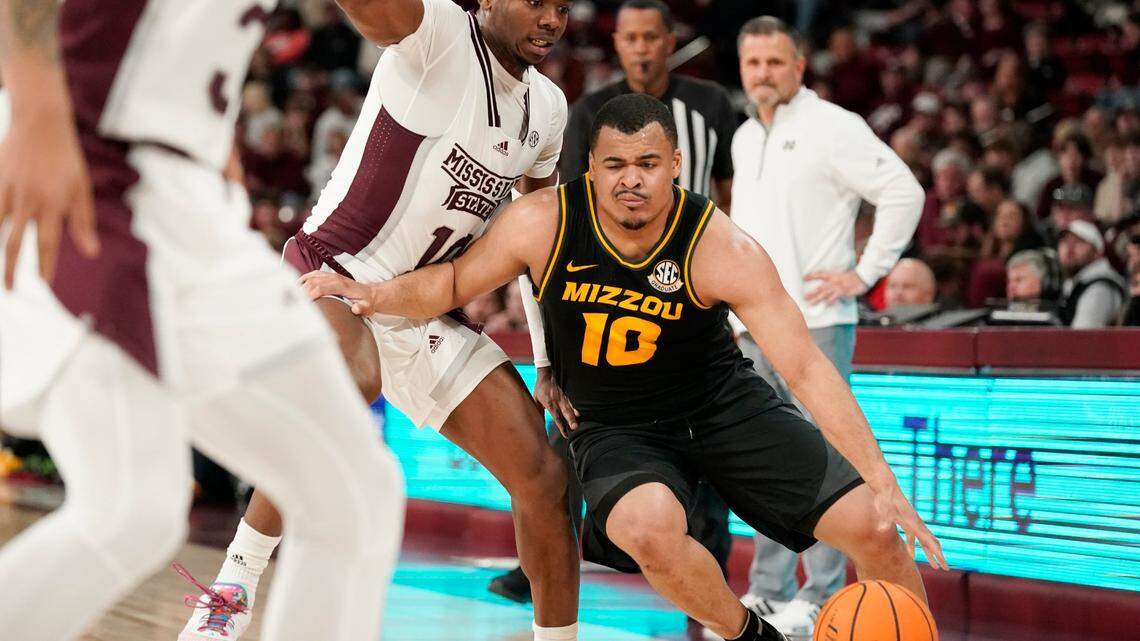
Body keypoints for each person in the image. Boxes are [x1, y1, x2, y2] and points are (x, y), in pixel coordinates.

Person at [300, 92, 948, 641]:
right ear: (590, 167)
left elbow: (806, 368)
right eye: (613, 164)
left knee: (876, 527)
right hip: (617, 425)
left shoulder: (721, 246)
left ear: (676, 165)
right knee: (646, 528)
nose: (629, 179)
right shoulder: (544, 223)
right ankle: (754, 636)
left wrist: (881, 478)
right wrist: (370, 292)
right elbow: (450, 284)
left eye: (645, 163)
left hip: (721, 405)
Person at [0, 1, 404, 640]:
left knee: (354, 494)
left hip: (188, 187)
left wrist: (212, 136)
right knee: (129, 509)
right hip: (92, 159)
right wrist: (35, 107)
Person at [179, 1, 582, 640]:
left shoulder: (550, 108)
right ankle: (232, 590)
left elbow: (539, 245)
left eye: (562, 6)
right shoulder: (442, 37)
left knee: (547, 478)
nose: (551, 19)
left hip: (422, 306)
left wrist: (550, 362)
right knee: (354, 380)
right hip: (333, 275)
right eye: (535, 2)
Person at [490, 0, 739, 605]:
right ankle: (542, 562)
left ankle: (710, 568)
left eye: (652, 36)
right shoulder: (589, 110)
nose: (642, 48)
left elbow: (730, 192)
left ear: (667, 39)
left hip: (690, 284)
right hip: (599, 291)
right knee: (569, 428)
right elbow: (564, 209)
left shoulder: (711, 105)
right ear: (619, 43)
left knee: (706, 424)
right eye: (630, 37)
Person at [727, 16, 925, 639]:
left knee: (826, 467)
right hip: (753, 328)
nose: (763, 73)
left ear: (799, 65)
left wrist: (864, 274)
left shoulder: (832, 126)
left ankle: (817, 597)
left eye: (774, 62)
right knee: (764, 467)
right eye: (753, 63)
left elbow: (904, 191)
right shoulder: (742, 137)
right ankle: (767, 591)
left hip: (818, 326)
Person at [1057, 220, 1127, 328]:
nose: (1069, 249)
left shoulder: (1099, 286)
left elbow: (1084, 337)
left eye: (1079, 242)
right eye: (1065, 241)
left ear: (1097, 252)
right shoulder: (1073, 282)